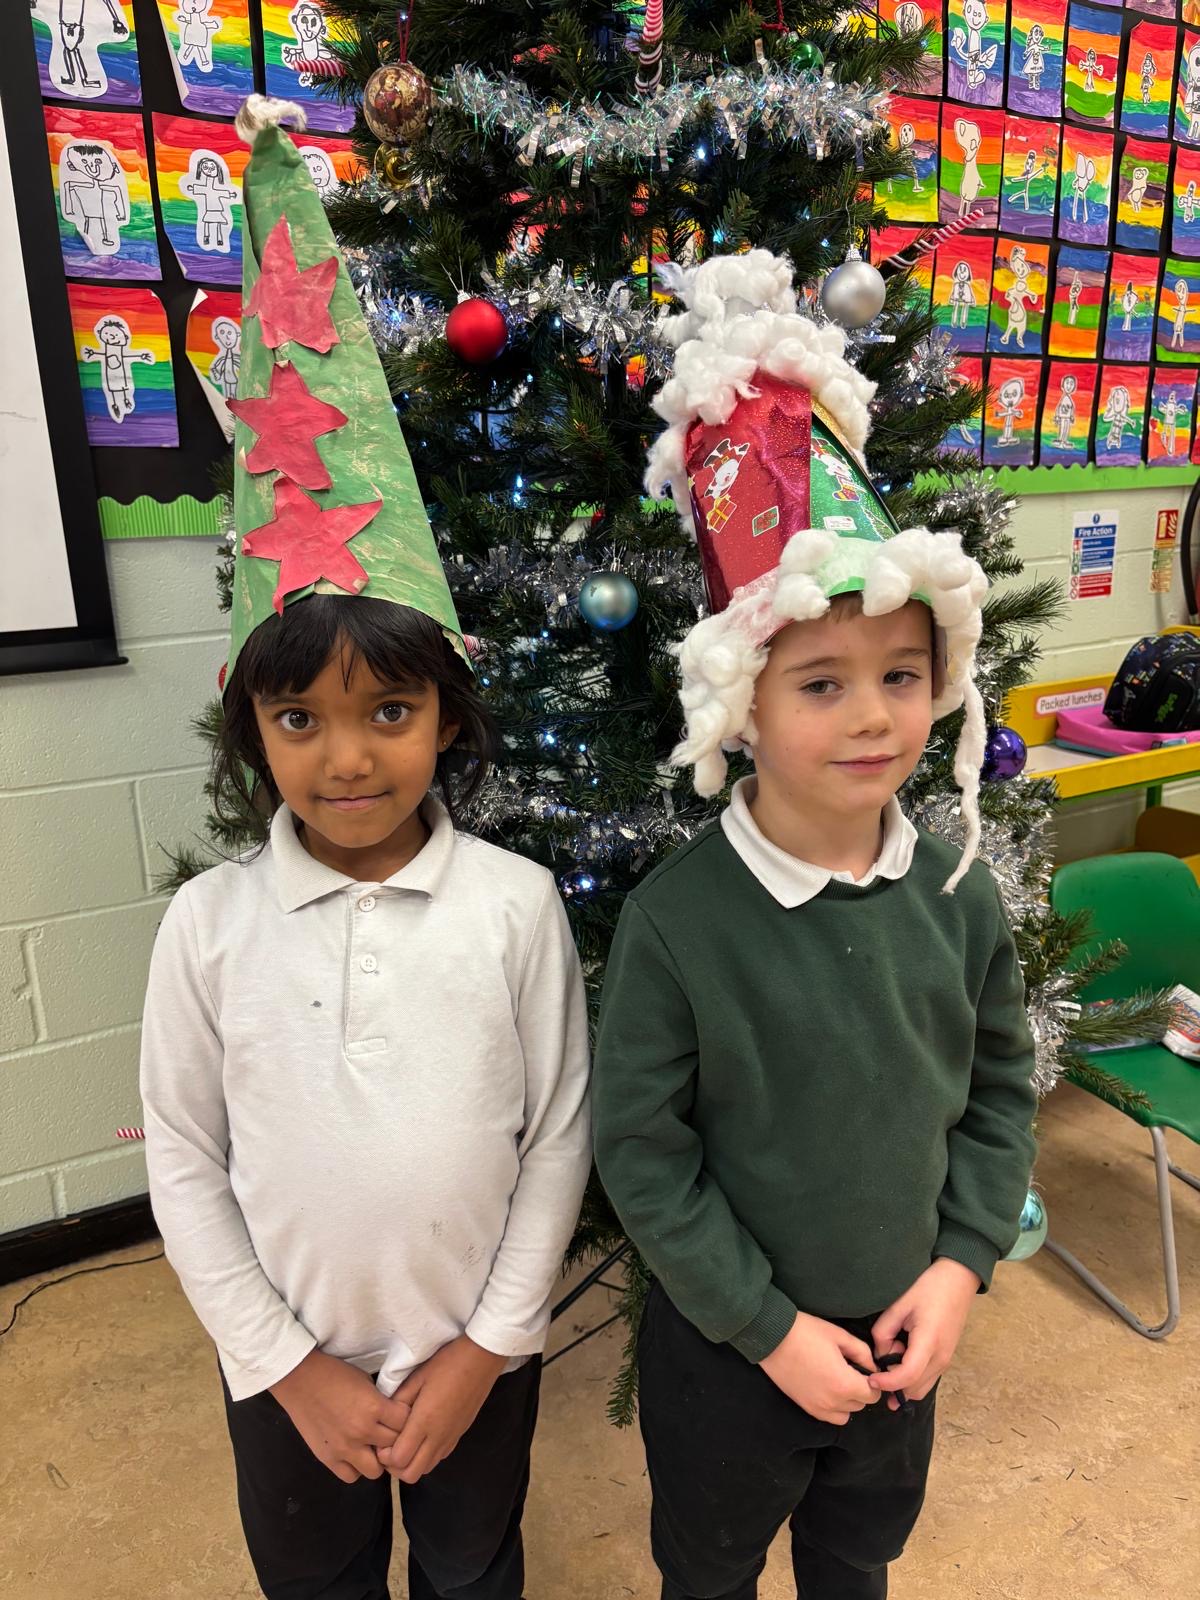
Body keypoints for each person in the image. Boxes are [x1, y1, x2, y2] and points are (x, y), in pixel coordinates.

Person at [141, 103, 591, 1600]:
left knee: (473, 1569)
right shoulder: (209, 927)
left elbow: (556, 1135)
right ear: (253, 731)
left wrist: (490, 1345)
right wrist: (282, 1365)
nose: (347, 757)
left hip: (480, 1360)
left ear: (446, 716)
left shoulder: (516, 906)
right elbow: (185, 1159)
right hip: (287, 1375)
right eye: (302, 718)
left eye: (388, 711)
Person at [593, 248, 1037, 1600]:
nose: (873, 716)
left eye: (901, 675)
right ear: (744, 707)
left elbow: (1000, 1088)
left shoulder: (957, 890)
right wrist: (765, 1326)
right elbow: (644, 1152)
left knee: (858, 1559)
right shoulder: (679, 925)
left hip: (907, 1334)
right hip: (734, 1357)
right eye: (822, 683)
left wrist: (961, 1268)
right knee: (713, 1569)